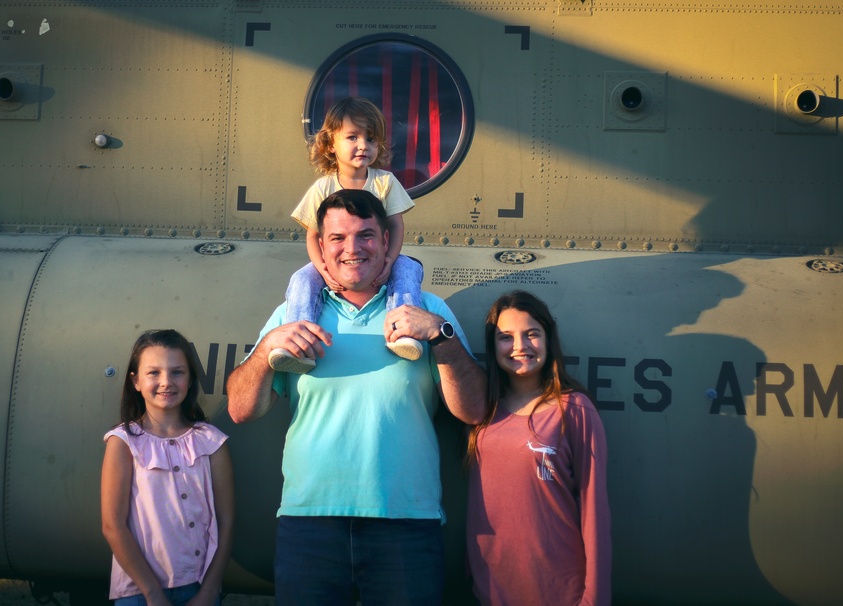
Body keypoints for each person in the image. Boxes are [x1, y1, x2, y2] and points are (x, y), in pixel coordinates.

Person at [227, 189, 486, 605]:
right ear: (322, 249)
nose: (353, 249)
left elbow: (473, 410)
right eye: (338, 238)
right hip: (310, 525)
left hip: (405, 524)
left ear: (387, 242)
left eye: (366, 235)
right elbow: (241, 409)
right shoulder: (293, 316)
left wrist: (441, 335)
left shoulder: (426, 309)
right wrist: (266, 350)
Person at [465, 291, 611, 606]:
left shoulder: (574, 410)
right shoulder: (481, 412)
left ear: (548, 339)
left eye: (532, 334)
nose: (520, 346)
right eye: (506, 337)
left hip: (559, 591)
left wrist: (595, 599)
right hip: (491, 590)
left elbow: (595, 512)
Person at [268, 96, 425, 374]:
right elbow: (313, 236)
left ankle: (404, 330)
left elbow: (396, 225)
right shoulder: (323, 187)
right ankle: (299, 340)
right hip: (332, 263)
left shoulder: (384, 182)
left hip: (379, 257)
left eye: (372, 139)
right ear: (331, 144)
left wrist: (390, 259)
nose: (364, 145)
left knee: (409, 269)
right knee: (302, 279)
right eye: (352, 137)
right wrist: (322, 268)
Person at [101, 329, 235, 606]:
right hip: (139, 592)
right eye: (154, 373)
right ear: (136, 381)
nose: (166, 382)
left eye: (177, 372)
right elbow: (112, 525)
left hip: (198, 590)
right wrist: (153, 594)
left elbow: (226, 521)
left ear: (190, 380)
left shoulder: (212, 442)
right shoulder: (123, 442)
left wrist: (210, 591)